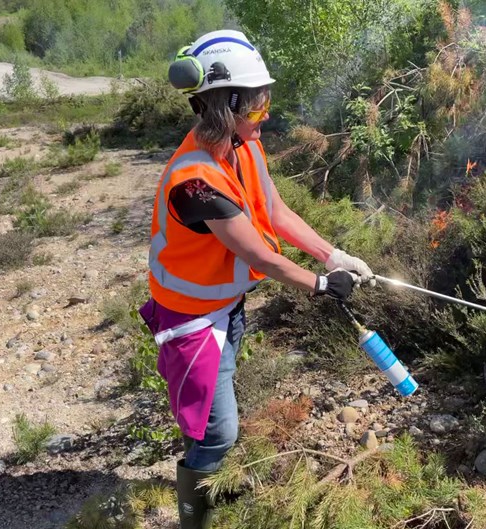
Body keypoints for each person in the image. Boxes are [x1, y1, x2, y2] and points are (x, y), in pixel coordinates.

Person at [138, 29, 375, 529]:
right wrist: (319, 285)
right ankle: (194, 517)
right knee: (216, 431)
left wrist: (333, 254)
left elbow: (275, 209)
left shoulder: (242, 149)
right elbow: (260, 256)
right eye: (259, 106)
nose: (266, 114)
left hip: (225, 308)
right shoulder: (195, 184)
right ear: (228, 104)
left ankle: (209, 490)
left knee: (211, 420)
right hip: (192, 320)